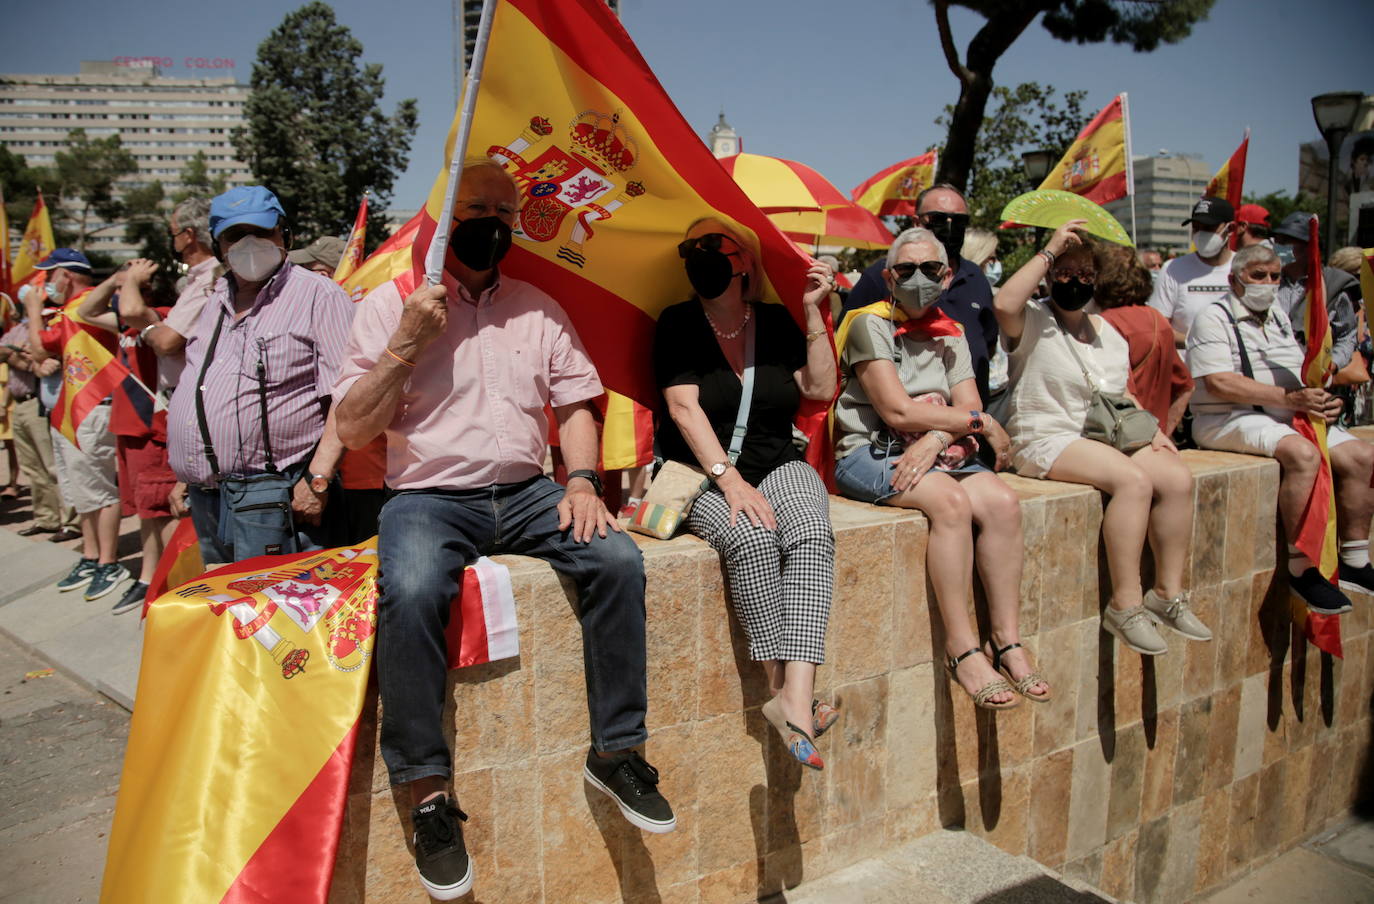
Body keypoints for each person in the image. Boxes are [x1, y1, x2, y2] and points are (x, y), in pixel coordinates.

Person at [333, 159, 675, 901]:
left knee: (615, 560)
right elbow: (350, 426)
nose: (491, 223)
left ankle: (617, 750)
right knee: (416, 586)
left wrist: (581, 481)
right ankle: (427, 795)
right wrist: (403, 345)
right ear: (441, 217)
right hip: (430, 495)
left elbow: (578, 403)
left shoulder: (537, 306)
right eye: (475, 207)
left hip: (527, 492)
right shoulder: (391, 304)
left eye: (504, 212)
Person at [833, 227, 1046, 709]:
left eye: (930, 269)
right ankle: (962, 648)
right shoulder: (871, 325)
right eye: (905, 270)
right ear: (889, 277)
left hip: (938, 452)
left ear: (948, 276)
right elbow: (897, 412)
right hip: (872, 452)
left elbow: (967, 403)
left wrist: (936, 437)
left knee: (1003, 502)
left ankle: (1006, 640)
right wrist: (974, 422)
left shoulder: (951, 330)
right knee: (950, 503)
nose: (918, 279)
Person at [655, 217, 838, 766]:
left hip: (777, 460)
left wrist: (811, 314)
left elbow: (821, 388)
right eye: (692, 246)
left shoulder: (779, 322)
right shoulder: (678, 322)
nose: (701, 254)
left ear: (747, 265)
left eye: (716, 246)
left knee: (809, 530)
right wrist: (729, 480)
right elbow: (683, 407)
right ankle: (783, 693)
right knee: (753, 539)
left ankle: (795, 698)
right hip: (698, 473)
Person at [994, 221, 1208, 656]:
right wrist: (1052, 248)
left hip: (1100, 435)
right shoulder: (1033, 318)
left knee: (1176, 478)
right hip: (1044, 436)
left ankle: (1166, 595)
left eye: (1086, 274)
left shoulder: (1106, 330)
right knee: (1133, 482)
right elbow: (1003, 302)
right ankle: (1124, 605)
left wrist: (1153, 433)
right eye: (1066, 272)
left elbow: (1121, 393)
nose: (1076, 281)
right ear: (1051, 275)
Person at [166, 186, 353, 565]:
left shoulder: (319, 295)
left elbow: (348, 395)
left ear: (285, 234)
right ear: (218, 245)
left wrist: (318, 480)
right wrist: (187, 471)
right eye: (236, 235)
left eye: (262, 232)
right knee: (227, 613)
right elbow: (202, 387)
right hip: (207, 497)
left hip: (277, 495)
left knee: (279, 616)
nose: (250, 244)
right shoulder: (215, 298)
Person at [1187, 244, 1374, 613]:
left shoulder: (1278, 316)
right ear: (1234, 279)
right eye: (1258, 275)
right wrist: (1291, 399)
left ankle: (1355, 559)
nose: (1268, 283)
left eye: (1274, 275)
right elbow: (1220, 382)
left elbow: (1298, 371)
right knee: (1301, 453)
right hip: (1229, 417)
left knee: (1361, 455)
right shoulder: (1213, 316)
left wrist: (1322, 400)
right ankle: (1302, 568)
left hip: (1286, 413)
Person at [24, 250, 129, 601]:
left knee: (97, 487)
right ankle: (90, 554)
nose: (44, 284)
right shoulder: (70, 309)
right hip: (72, 409)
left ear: (65, 276)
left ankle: (108, 561)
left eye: (47, 276)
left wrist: (32, 312)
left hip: (93, 406)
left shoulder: (82, 306)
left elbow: (39, 350)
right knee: (80, 490)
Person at [76, 263, 179, 615]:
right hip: (129, 428)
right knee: (146, 514)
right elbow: (86, 311)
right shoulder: (126, 320)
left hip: (153, 429)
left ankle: (166, 583)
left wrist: (131, 282)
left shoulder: (160, 317)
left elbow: (134, 311)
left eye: (131, 285)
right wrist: (116, 279)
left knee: (161, 511)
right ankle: (149, 577)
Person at [845, 185, 999, 400]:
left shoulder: (975, 277)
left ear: (945, 277)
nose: (949, 227)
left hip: (967, 420)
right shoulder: (882, 277)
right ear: (917, 222)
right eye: (938, 218)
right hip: (897, 425)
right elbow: (847, 342)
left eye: (959, 221)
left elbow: (988, 343)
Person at [0, 296, 78, 539]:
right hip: (19, 403)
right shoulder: (16, 331)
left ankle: (72, 521)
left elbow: (41, 356)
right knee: (32, 467)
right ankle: (47, 518)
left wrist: (19, 357)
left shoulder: (48, 325)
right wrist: (18, 356)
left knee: (53, 465)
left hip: (38, 402)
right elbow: (8, 352)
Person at [1095, 243, 1194, 434]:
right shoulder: (1158, 320)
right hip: (1154, 444)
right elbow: (1186, 387)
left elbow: (1121, 394)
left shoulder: (1105, 324)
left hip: (1121, 443)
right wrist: (1164, 433)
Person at [1271, 212, 1358, 371]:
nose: (1280, 247)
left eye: (1287, 241)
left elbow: (1347, 335)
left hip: (1311, 379)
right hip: (1269, 374)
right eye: (1278, 241)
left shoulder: (1332, 285)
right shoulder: (1262, 280)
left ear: (1309, 248)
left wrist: (1331, 364)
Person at [1148, 196, 1236, 346]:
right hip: (1187, 365)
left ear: (1230, 229)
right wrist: (1198, 342)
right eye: (1196, 227)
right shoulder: (1172, 269)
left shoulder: (1245, 267)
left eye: (1209, 228)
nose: (1200, 233)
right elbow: (1158, 327)